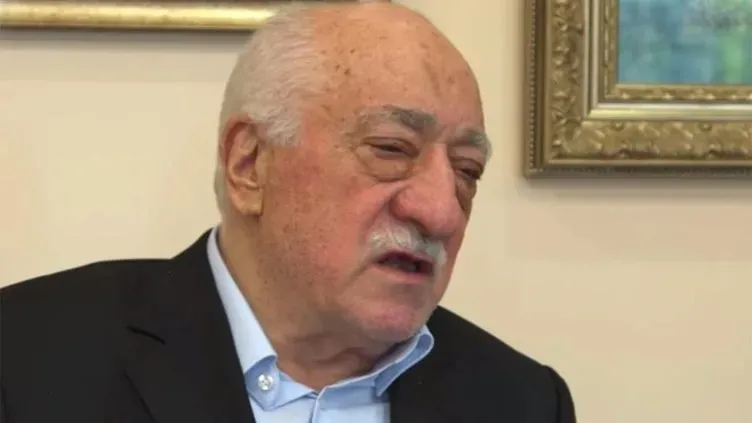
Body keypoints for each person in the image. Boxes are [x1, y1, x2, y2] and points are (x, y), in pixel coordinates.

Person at [0, 3, 576, 423]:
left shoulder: (521, 402)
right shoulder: (26, 359)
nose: (441, 212)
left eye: (467, 170)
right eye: (390, 149)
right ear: (250, 164)